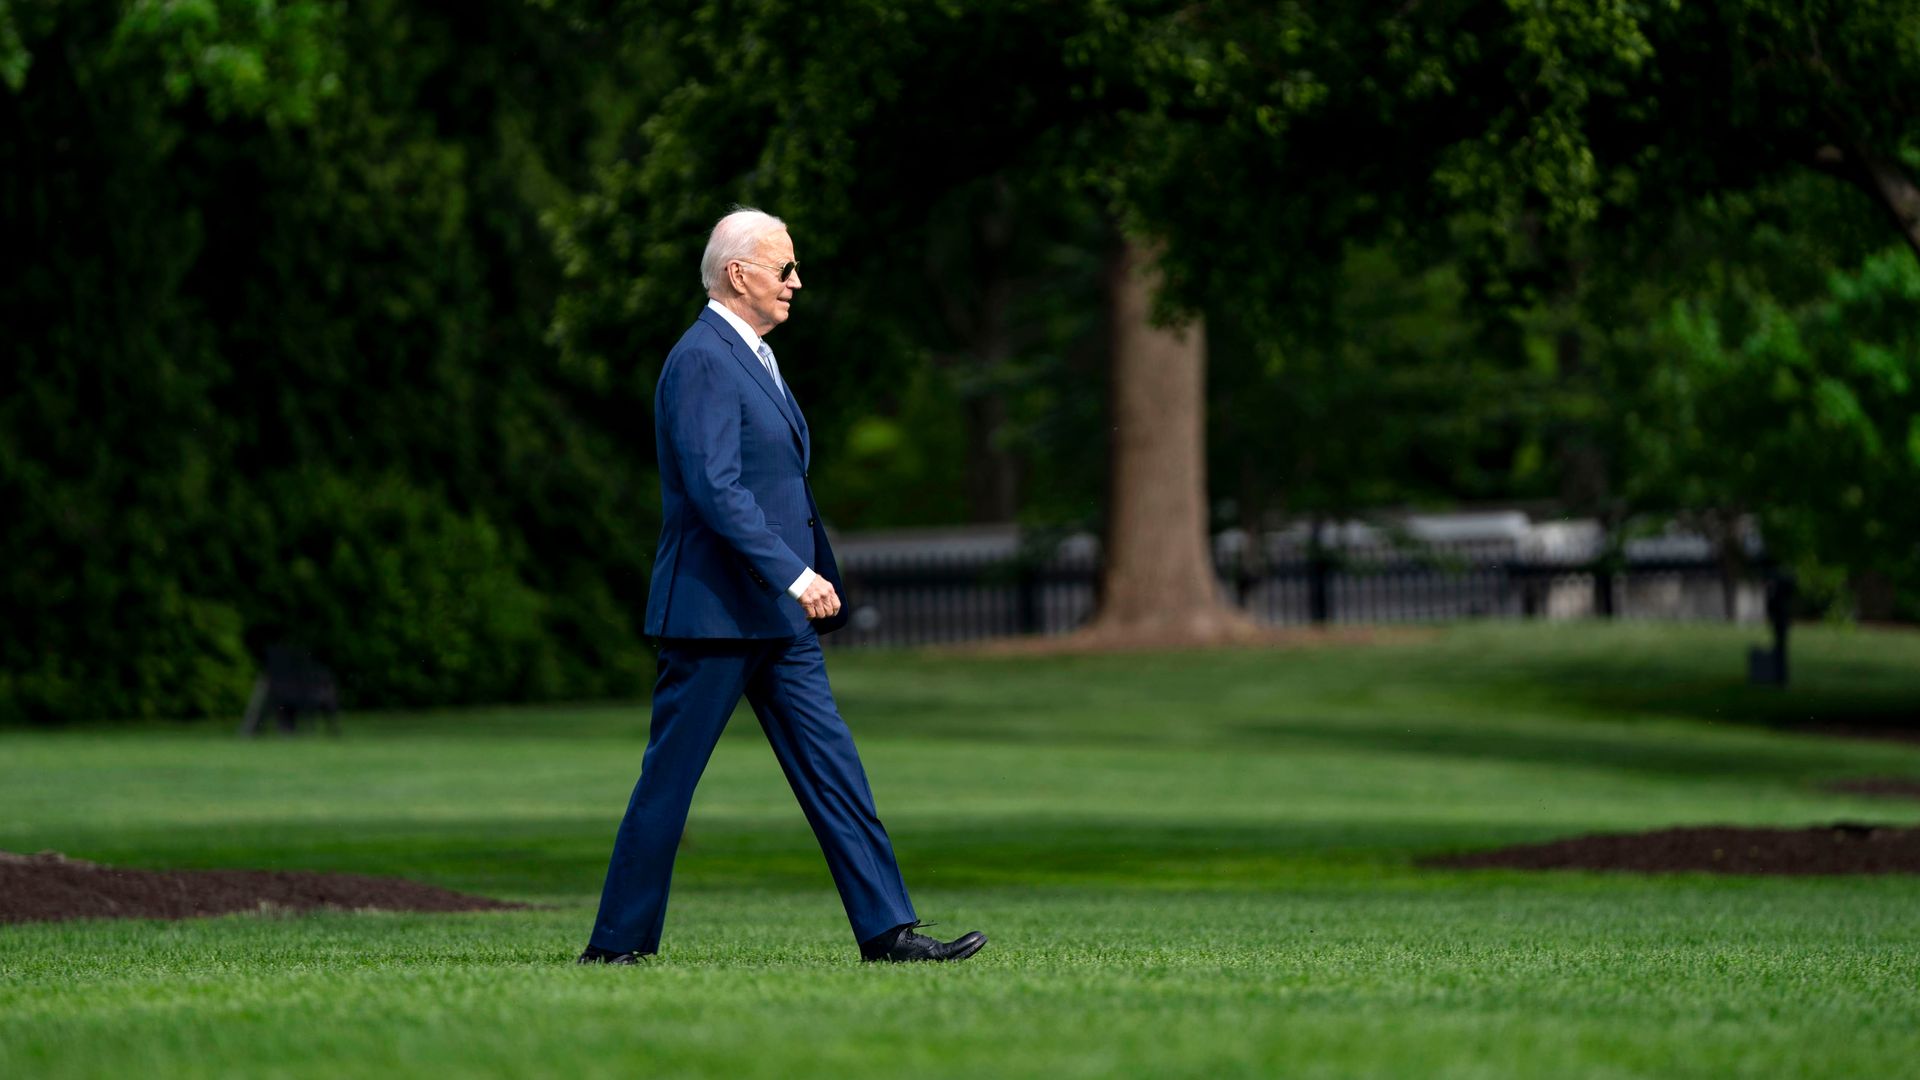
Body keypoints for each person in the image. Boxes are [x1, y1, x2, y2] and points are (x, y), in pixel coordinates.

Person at [578, 207, 987, 966]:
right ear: (740, 275)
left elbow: (777, 483)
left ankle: (889, 933)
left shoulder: (754, 356)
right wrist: (797, 574)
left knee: (835, 769)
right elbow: (714, 487)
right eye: (784, 268)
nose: (797, 282)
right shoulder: (702, 358)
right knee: (668, 786)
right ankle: (616, 946)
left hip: (776, 618)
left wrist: (802, 580)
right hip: (713, 615)